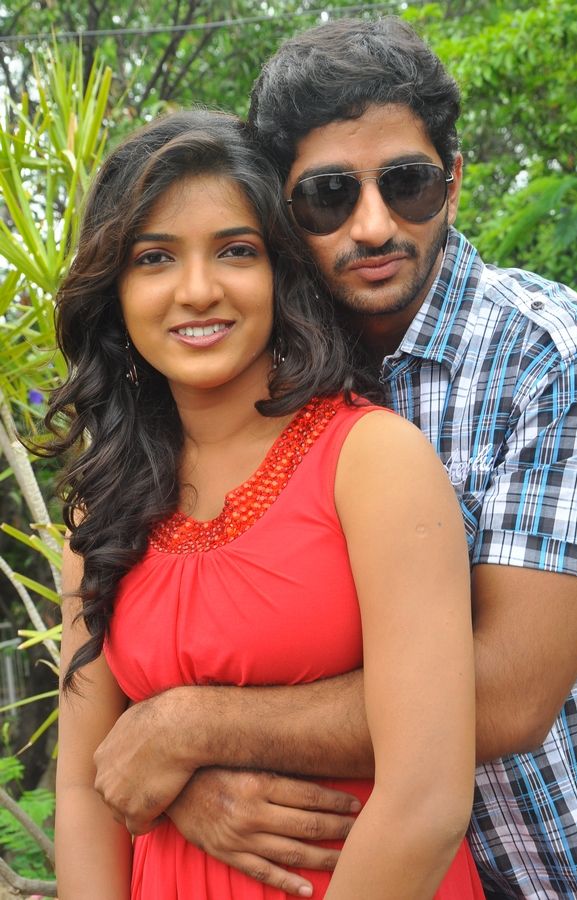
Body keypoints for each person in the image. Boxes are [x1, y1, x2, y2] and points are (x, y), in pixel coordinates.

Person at [91, 16, 577, 900]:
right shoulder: (231, 370)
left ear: (453, 182)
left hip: (547, 868)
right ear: (282, 214)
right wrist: (177, 776)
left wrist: (191, 732)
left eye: (408, 184)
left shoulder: (552, 356)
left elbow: (512, 694)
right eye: (328, 195)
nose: (373, 226)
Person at [50, 108, 484, 899]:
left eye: (235, 251)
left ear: (281, 271)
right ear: (115, 290)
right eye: (155, 258)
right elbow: (83, 788)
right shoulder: (104, 508)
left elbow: (427, 800)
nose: (198, 291)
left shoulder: (373, 462)